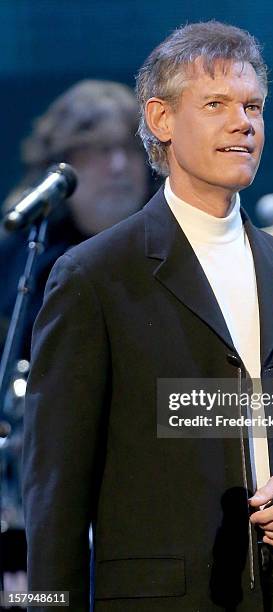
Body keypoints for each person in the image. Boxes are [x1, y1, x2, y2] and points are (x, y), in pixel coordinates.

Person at [23, 22, 273, 611]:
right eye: (216, 104)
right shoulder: (94, 277)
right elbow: (55, 493)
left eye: (253, 105)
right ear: (160, 120)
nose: (243, 122)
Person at [0, 80, 151, 582]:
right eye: (98, 151)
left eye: (129, 150)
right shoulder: (26, 258)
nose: (116, 167)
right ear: (61, 163)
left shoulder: (179, 249)